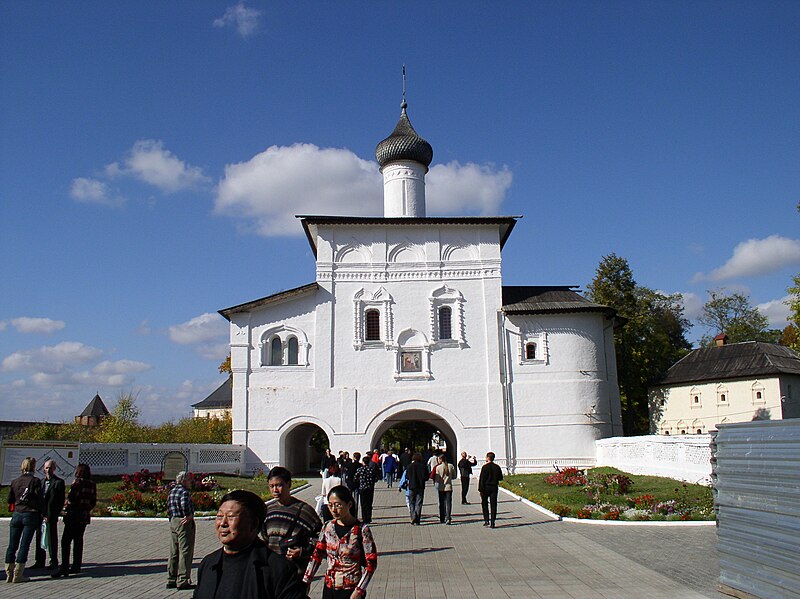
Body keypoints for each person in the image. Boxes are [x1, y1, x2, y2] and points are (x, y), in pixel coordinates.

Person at [194, 490, 308, 599]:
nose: (223, 523)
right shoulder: (208, 564)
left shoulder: (278, 569)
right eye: (219, 516)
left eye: (231, 517)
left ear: (253, 524)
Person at [303, 485, 377, 599]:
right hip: (329, 588)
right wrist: (306, 580)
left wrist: (359, 590)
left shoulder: (362, 530)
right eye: (330, 505)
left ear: (349, 504)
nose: (333, 509)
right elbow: (317, 555)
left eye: (338, 505)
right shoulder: (327, 527)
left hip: (351, 590)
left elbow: (371, 564)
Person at [263, 466, 323, 581]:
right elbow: (264, 539)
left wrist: (302, 551)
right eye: (271, 486)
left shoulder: (305, 511)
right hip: (272, 572)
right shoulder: (268, 511)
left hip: (295, 574)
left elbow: (321, 540)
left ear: (289, 484)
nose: (275, 490)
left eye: (279, 485)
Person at [53, 463, 97, 578]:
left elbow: (72, 498)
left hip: (73, 515)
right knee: (78, 540)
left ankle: (64, 567)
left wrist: (67, 504)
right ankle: (76, 565)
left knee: (66, 541)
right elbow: (93, 501)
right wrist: (86, 508)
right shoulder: (92, 484)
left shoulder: (77, 483)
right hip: (83, 515)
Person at [5, 456, 43, 583]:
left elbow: (10, 499)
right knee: (24, 545)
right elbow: (39, 499)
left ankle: (8, 572)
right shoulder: (35, 481)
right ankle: (18, 573)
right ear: (33, 467)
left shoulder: (15, 481)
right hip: (30, 514)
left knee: (12, 545)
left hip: (17, 513)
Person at [33, 459, 66, 570]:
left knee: (51, 538)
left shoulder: (58, 482)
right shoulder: (40, 482)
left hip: (51, 515)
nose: (48, 470)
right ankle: (39, 560)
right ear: (43, 468)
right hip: (40, 515)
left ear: (54, 469)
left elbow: (60, 501)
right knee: (39, 537)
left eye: (50, 468)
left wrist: (53, 514)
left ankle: (53, 561)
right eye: (46, 468)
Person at [166, 471, 196, 590]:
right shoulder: (184, 492)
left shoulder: (172, 491)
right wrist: (188, 516)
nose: (190, 482)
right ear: (183, 481)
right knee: (185, 551)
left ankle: (171, 579)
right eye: (189, 480)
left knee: (174, 551)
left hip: (173, 521)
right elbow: (184, 504)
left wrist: (171, 519)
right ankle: (183, 580)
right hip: (183, 522)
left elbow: (168, 507)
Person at [478, 452, 504, 528]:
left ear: (488, 458)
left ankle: (486, 520)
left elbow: (482, 479)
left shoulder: (485, 467)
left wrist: (480, 489)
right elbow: (500, 478)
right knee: (493, 504)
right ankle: (493, 522)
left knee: (484, 504)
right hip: (494, 487)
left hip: (486, 488)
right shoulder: (497, 467)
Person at [433, 455, 456, 525]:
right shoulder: (451, 466)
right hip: (449, 487)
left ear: (440, 459)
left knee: (442, 503)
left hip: (441, 487)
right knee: (448, 503)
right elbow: (454, 476)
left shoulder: (438, 467)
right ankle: (448, 517)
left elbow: (437, 479)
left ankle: (442, 518)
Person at [404, 453, 427, 526]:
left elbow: (407, 476)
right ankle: (417, 520)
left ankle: (413, 516)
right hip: (420, 486)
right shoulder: (423, 466)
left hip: (411, 486)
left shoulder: (410, 466)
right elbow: (426, 477)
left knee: (411, 502)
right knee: (419, 503)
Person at [353, 456, 377, 524]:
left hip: (362, 488)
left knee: (363, 504)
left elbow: (355, 478)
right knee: (369, 504)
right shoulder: (371, 469)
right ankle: (369, 518)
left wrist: (359, 481)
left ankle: (364, 518)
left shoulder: (360, 469)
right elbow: (375, 478)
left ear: (363, 462)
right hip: (369, 488)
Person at [343, 452, 361, 518]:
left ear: (353, 457)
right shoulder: (360, 465)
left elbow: (347, 473)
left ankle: (350, 514)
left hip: (350, 484)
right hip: (357, 485)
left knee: (349, 501)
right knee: (356, 501)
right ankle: (355, 515)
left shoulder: (350, 465)